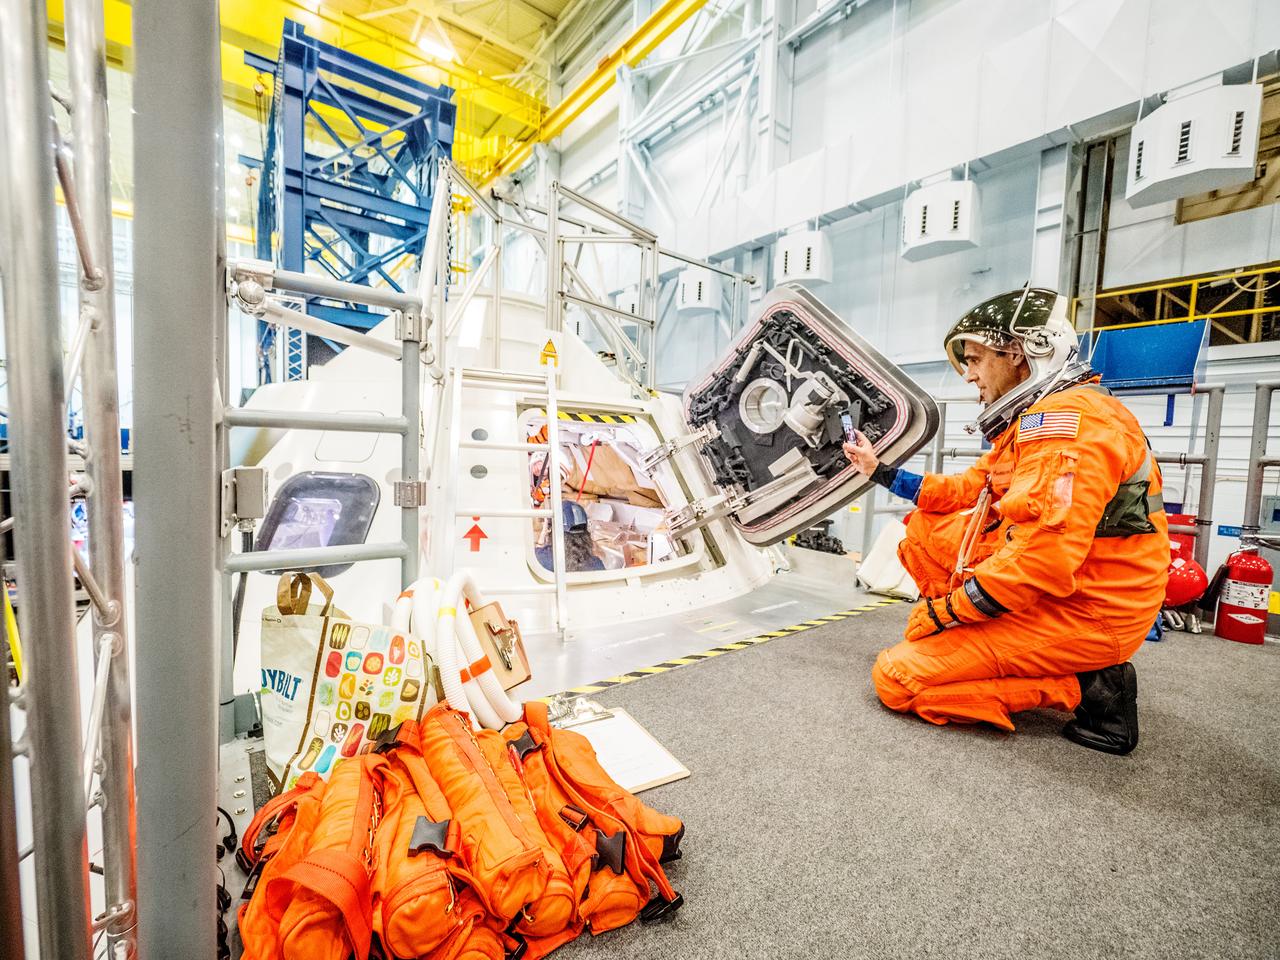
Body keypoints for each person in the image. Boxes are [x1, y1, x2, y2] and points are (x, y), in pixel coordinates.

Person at [844, 287, 1168, 754]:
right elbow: (961, 490)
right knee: (922, 528)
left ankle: (1089, 686)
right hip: (1074, 589)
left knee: (898, 677)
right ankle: (988, 640)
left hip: (1092, 612)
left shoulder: (1067, 426)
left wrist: (946, 612)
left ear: (1022, 352)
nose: (970, 375)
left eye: (975, 360)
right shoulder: (1038, 421)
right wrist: (879, 470)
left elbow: (1042, 560)